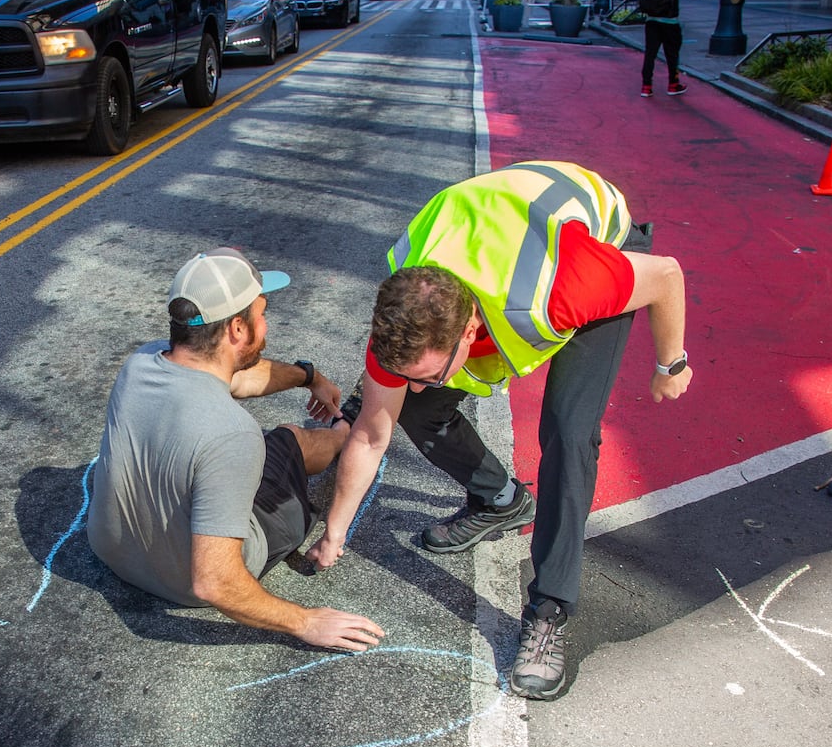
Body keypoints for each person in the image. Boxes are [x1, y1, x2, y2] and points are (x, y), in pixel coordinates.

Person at [308, 161, 692, 700]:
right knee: (411, 410)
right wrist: (335, 533)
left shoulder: (559, 291)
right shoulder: (401, 319)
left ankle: (549, 611)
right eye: (409, 374)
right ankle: (501, 501)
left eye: (431, 373)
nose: (418, 385)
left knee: (568, 431)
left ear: (469, 331)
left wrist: (670, 363)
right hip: (499, 226)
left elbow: (667, 273)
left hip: (590, 236)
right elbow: (372, 436)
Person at [87, 248, 386, 652]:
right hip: (190, 584)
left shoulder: (141, 363)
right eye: (261, 314)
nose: (267, 324)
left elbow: (242, 379)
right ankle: (342, 432)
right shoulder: (232, 434)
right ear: (237, 330)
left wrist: (309, 376)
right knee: (288, 439)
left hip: (113, 551)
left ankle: (335, 430)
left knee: (247, 448)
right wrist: (305, 621)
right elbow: (214, 582)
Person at [638, 0, 699, 97]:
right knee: (672, 54)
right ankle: (673, 84)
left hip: (651, 19)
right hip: (669, 20)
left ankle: (646, 86)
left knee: (650, 54)